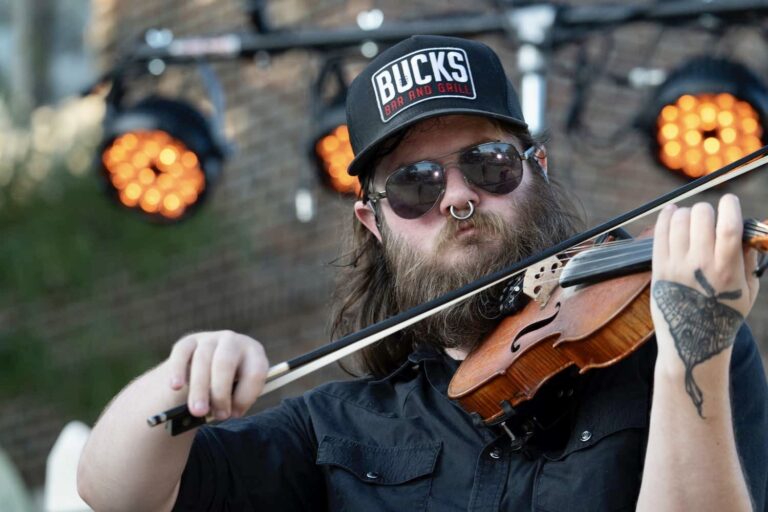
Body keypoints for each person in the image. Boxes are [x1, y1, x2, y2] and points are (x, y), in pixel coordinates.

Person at [77, 35, 768, 511]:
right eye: (415, 184)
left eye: (490, 164)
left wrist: (691, 357)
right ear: (374, 223)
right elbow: (116, 491)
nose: (459, 196)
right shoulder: (337, 431)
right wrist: (184, 374)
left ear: (537, 172)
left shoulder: (676, 346)